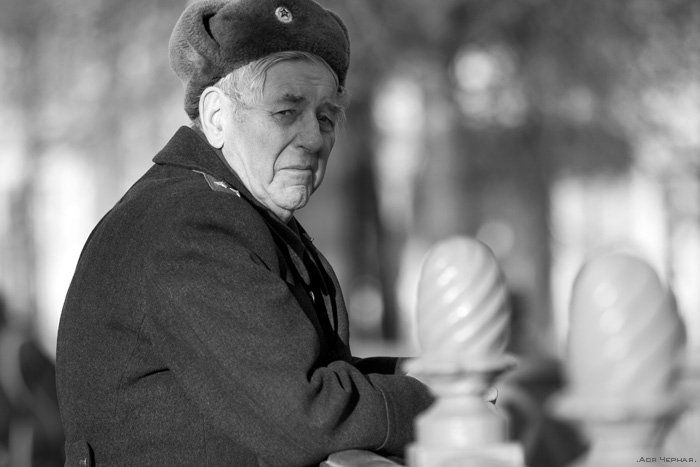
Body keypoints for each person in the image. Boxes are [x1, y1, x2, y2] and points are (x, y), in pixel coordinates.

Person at [55, 0, 433, 465]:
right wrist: (443, 401)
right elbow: (307, 416)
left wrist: (417, 373)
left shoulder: (225, 212)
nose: (314, 138)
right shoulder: (191, 226)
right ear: (217, 117)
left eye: (326, 118)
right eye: (286, 111)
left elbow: (305, 373)